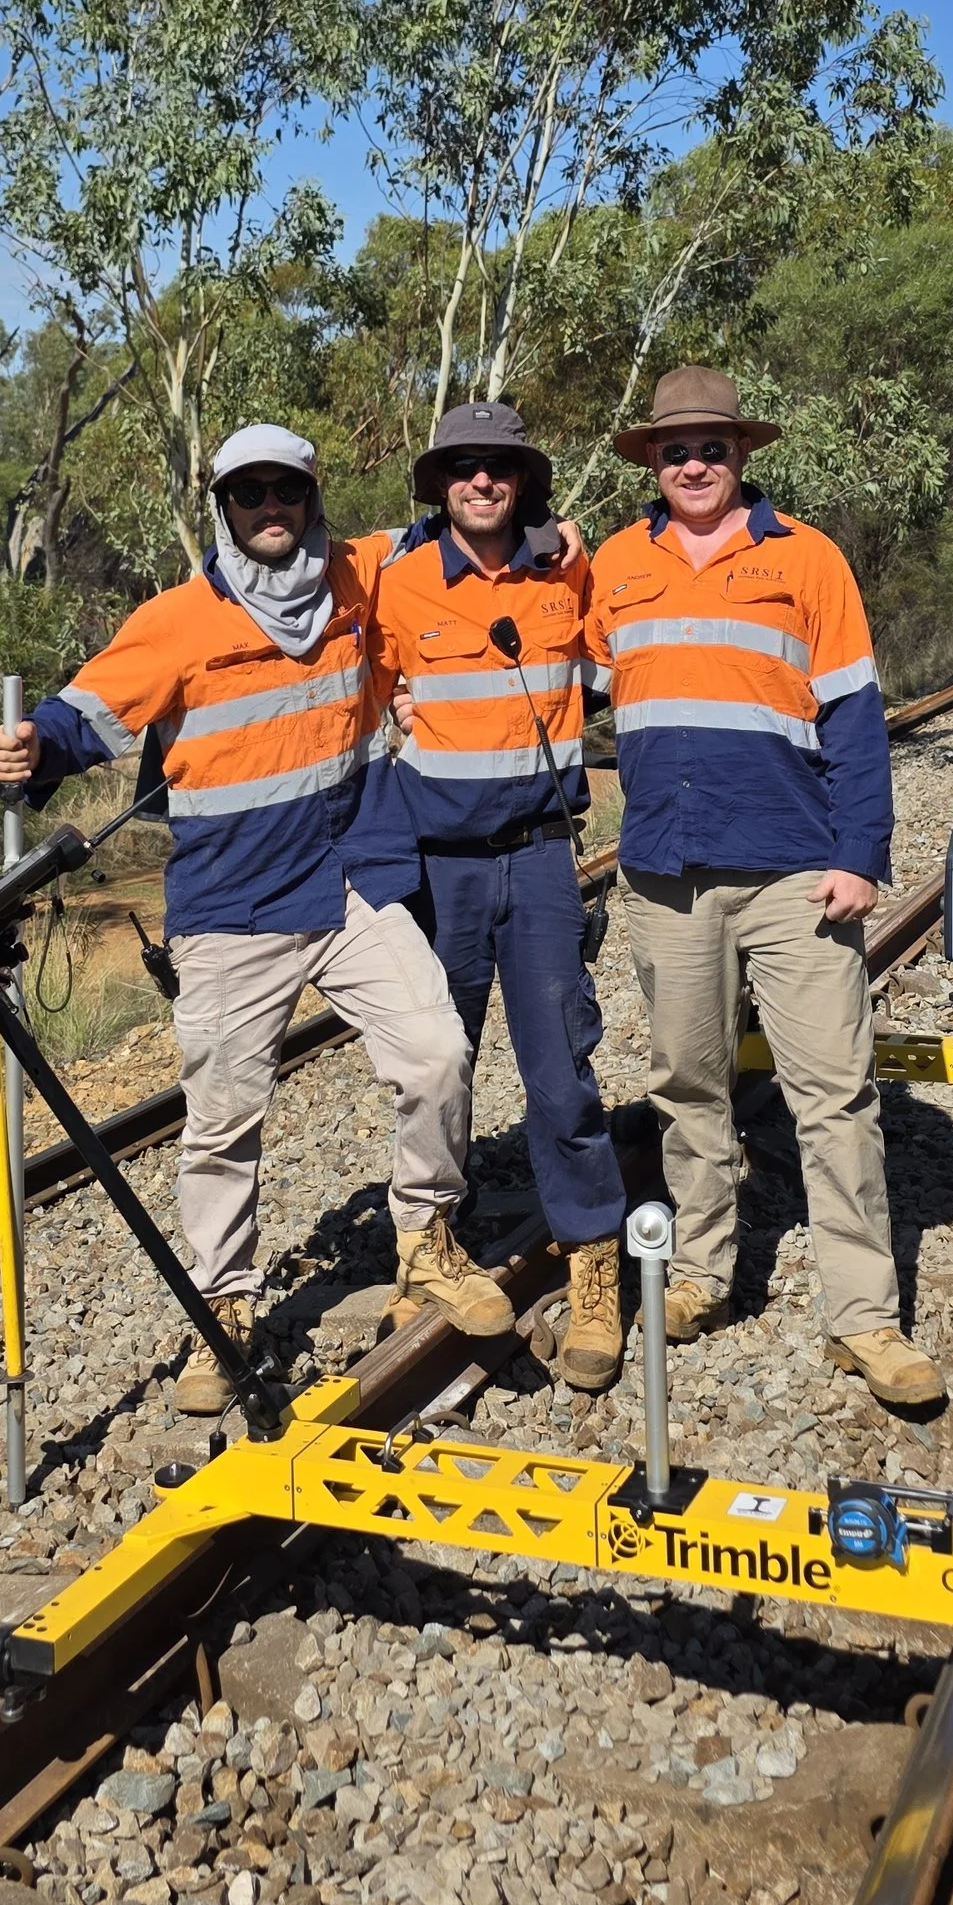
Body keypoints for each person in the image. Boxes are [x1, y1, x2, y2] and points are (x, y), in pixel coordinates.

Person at [0, 422, 511, 1416]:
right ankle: (223, 1306)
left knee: (437, 1049)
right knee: (223, 1119)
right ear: (221, 507)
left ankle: (428, 1242)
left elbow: (459, 538)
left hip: (350, 878)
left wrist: (547, 537)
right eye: (248, 495)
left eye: (286, 492)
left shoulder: (359, 576)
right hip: (232, 907)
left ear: (312, 497)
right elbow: (80, 719)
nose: (270, 510)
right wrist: (24, 750)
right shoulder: (176, 622)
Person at [582, 367, 942, 1413]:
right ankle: (699, 1275)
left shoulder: (806, 557)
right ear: (651, 460)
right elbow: (573, 680)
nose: (692, 464)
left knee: (832, 1094)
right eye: (673, 449)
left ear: (743, 455)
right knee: (688, 1089)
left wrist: (859, 854)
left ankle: (863, 1318)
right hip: (663, 870)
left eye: (711, 447)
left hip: (793, 867)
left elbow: (854, 718)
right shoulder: (616, 563)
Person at [368, 401, 628, 1394]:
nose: (481, 482)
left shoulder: (568, 569)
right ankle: (428, 1253)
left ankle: (593, 1267)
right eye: (461, 468)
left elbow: (616, 660)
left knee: (561, 1075)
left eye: (499, 467)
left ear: (525, 479)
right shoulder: (394, 578)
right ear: (439, 483)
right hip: (438, 865)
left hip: (537, 859)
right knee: (440, 1069)